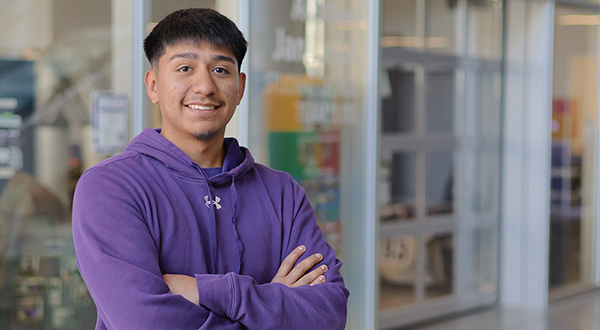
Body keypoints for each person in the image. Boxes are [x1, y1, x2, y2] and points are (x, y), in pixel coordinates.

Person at [72, 7, 349, 330]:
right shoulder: (111, 187)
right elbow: (144, 322)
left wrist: (207, 291)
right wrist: (272, 301)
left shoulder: (282, 193)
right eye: (185, 68)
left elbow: (328, 314)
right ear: (153, 85)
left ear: (240, 87)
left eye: (220, 69)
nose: (204, 86)